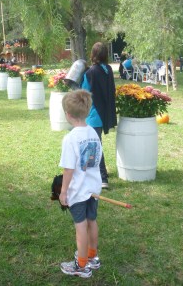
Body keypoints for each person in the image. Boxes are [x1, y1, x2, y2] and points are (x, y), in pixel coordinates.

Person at [58, 89, 103, 279]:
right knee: (91, 222)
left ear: (68, 115)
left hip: (78, 191)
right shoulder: (93, 132)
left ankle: (82, 265)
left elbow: (68, 170)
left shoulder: (70, 138)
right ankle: (92, 257)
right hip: (93, 189)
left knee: (80, 226)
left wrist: (63, 192)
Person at [81, 42, 117, 189]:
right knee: (91, 144)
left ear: (93, 54)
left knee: (94, 145)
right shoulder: (108, 69)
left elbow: (84, 93)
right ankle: (87, 174)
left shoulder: (90, 73)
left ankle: (103, 178)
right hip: (105, 113)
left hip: (94, 115)